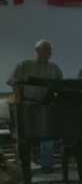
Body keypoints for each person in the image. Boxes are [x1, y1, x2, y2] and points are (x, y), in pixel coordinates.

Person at [7, 39, 64, 172]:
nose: (49, 52)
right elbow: (14, 82)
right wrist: (19, 102)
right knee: (24, 137)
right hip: (26, 105)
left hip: (46, 107)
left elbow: (60, 87)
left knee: (47, 136)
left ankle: (46, 166)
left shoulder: (54, 68)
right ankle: (24, 168)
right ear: (37, 51)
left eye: (50, 50)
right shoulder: (24, 65)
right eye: (45, 49)